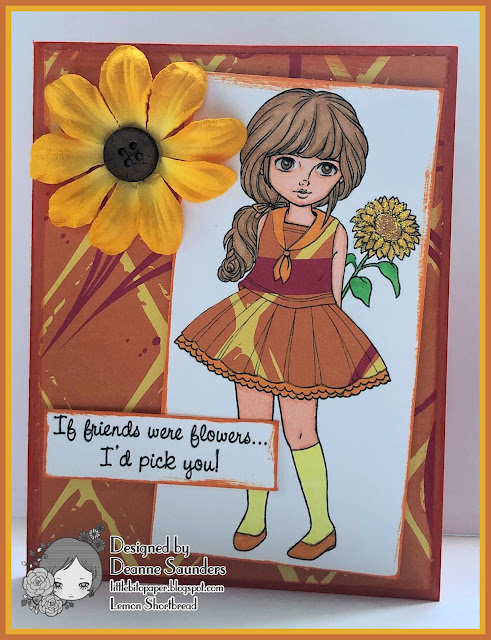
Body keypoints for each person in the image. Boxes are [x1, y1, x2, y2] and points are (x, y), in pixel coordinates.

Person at [175, 88, 390, 561]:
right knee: (253, 427)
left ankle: (322, 525)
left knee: (300, 432)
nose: (305, 180)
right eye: (288, 163)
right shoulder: (258, 222)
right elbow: (249, 273)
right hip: (251, 329)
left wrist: (326, 344)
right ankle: (254, 515)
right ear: (265, 163)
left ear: (343, 173)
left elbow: (333, 296)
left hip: (307, 332)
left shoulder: (335, 232)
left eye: (325, 168)